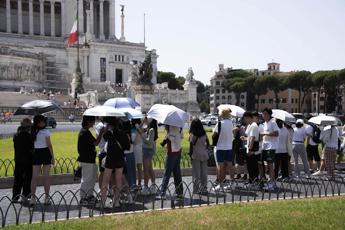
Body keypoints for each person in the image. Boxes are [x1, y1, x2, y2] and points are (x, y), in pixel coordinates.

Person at [101, 117, 130, 207]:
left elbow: (104, 137)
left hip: (110, 158)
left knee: (105, 180)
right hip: (120, 158)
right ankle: (116, 201)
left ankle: (103, 202)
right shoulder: (123, 133)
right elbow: (127, 146)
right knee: (119, 179)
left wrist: (106, 128)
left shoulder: (109, 132)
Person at [77, 116, 104, 204]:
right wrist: (101, 133)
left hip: (89, 159)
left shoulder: (85, 131)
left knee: (92, 178)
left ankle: (89, 195)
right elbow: (96, 143)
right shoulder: (84, 132)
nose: (93, 123)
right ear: (88, 121)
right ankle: (83, 197)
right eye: (93, 121)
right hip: (86, 160)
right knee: (86, 179)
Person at [30, 115, 55, 205]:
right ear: (39, 122)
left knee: (34, 177)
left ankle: (33, 198)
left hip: (36, 153)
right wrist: (53, 157)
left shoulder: (32, 131)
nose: (45, 122)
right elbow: (49, 145)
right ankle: (46, 198)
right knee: (46, 176)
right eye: (43, 121)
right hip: (45, 153)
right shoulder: (46, 131)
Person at [212, 108, 235, 191]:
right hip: (229, 147)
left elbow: (214, 134)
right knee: (230, 165)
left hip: (220, 147)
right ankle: (232, 182)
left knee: (221, 166)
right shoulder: (231, 123)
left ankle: (221, 184)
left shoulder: (219, 124)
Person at [12, 118, 34, 202]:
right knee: (27, 179)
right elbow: (31, 148)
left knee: (17, 179)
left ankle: (15, 196)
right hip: (28, 160)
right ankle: (25, 196)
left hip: (18, 159)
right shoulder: (28, 136)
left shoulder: (16, 135)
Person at [160, 125, 184, 198]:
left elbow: (172, 139)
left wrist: (168, 135)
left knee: (167, 173)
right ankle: (180, 192)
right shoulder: (179, 127)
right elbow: (182, 137)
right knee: (177, 174)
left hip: (171, 153)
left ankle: (162, 192)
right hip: (178, 152)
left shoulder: (172, 128)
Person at [260, 108, 279, 190]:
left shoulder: (273, 122)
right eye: (263, 113)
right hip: (265, 147)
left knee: (270, 165)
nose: (263, 115)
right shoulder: (264, 123)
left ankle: (272, 183)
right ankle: (271, 181)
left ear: (269, 114)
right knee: (267, 165)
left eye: (265, 113)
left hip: (272, 146)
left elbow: (276, 133)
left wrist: (265, 133)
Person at [189, 118, 209, 194]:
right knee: (204, 173)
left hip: (196, 155)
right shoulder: (204, 133)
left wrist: (190, 156)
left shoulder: (192, 135)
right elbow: (208, 143)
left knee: (196, 174)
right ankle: (204, 188)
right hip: (204, 154)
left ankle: (196, 190)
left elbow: (191, 146)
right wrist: (205, 149)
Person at [139, 119, 158, 194]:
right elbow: (140, 129)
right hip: (147, 150)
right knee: (150, 169)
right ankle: (153, 186)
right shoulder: (148, 129)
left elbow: (149, 142)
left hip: (147, 150)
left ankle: (146, 187)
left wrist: (142, 135)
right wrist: (143, 122)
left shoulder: (152, 130)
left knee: (146, 170)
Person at [241, 112, 260, 183]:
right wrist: (245, 138)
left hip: (252, 150)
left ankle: (253, 181)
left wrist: (249, 149)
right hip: (251, 149)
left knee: (252, 167)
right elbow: (250, 137)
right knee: (251, 166)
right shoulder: (251, 125)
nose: (245, 121)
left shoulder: (253, 126)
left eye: (245, 119)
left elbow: (252, 138)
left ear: (249, 118)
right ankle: (253, 181)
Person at [122, 120, 137, 189]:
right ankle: (133, 185)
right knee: (132, 170)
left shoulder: (123, 134)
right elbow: (134, 142)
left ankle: (127, 186)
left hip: (125, 154)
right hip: (131, 153)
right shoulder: (132, 133)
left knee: (126, 172)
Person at [95, 118, 107, 191]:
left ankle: (107, 188)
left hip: (107, 151)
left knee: (109, 172)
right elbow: (101, 136)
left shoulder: (105, 125)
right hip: (103, 151)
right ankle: (100, 188)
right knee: (102, 172)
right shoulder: (100, 126)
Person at [132, 119, 144, 187]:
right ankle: (138, 183)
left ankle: (138, 183)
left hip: (136, 148)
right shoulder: (139, 128)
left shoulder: (136, 128)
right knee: (139, 167)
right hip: (138, 148)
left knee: (137, 167)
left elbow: (135, 141)